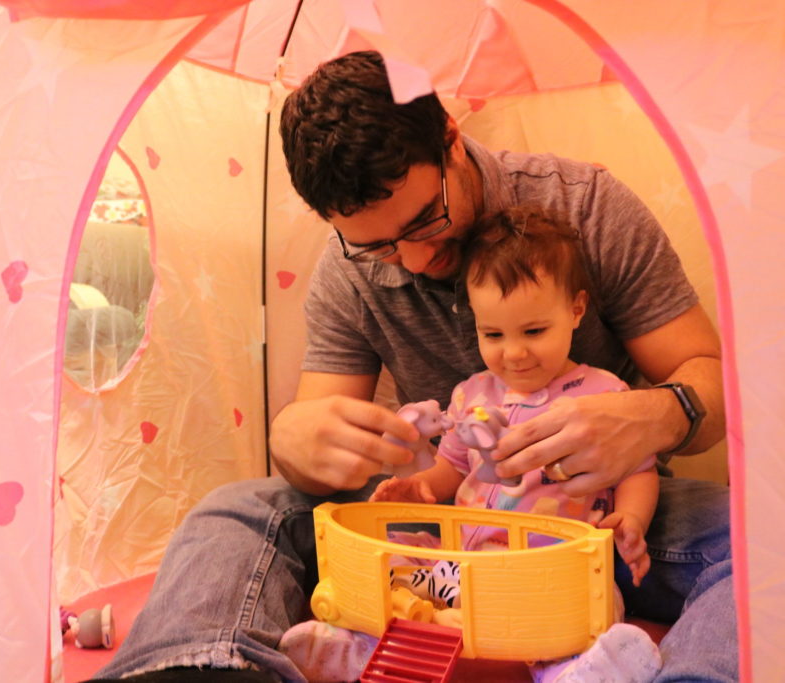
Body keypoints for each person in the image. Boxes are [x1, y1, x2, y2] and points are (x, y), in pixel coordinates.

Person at [91, 50, 734, 682]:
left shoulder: (586, 207)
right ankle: (198, 669)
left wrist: (658, 415)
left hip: (593, 522)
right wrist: (294, 437)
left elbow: (712, 382)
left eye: (429, 220)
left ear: (451, 140)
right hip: (447, 521)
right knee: (238, 510)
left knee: (760, 537)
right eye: (376, 245)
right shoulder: (345, 275)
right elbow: (320, 454)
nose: (416, 258)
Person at [276, 206, 664, 683]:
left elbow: (639, 469)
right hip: (458, 568)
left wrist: (632, 519)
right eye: (493, 334)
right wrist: (418, 488)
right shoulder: (472, 395)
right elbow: (450, 470)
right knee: (393, 558)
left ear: (576, 309)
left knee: (589, 604)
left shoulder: (603, 396)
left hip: (543, 571)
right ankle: (359, 645)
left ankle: (581, 670)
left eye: (534, 331)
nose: (514, 352)